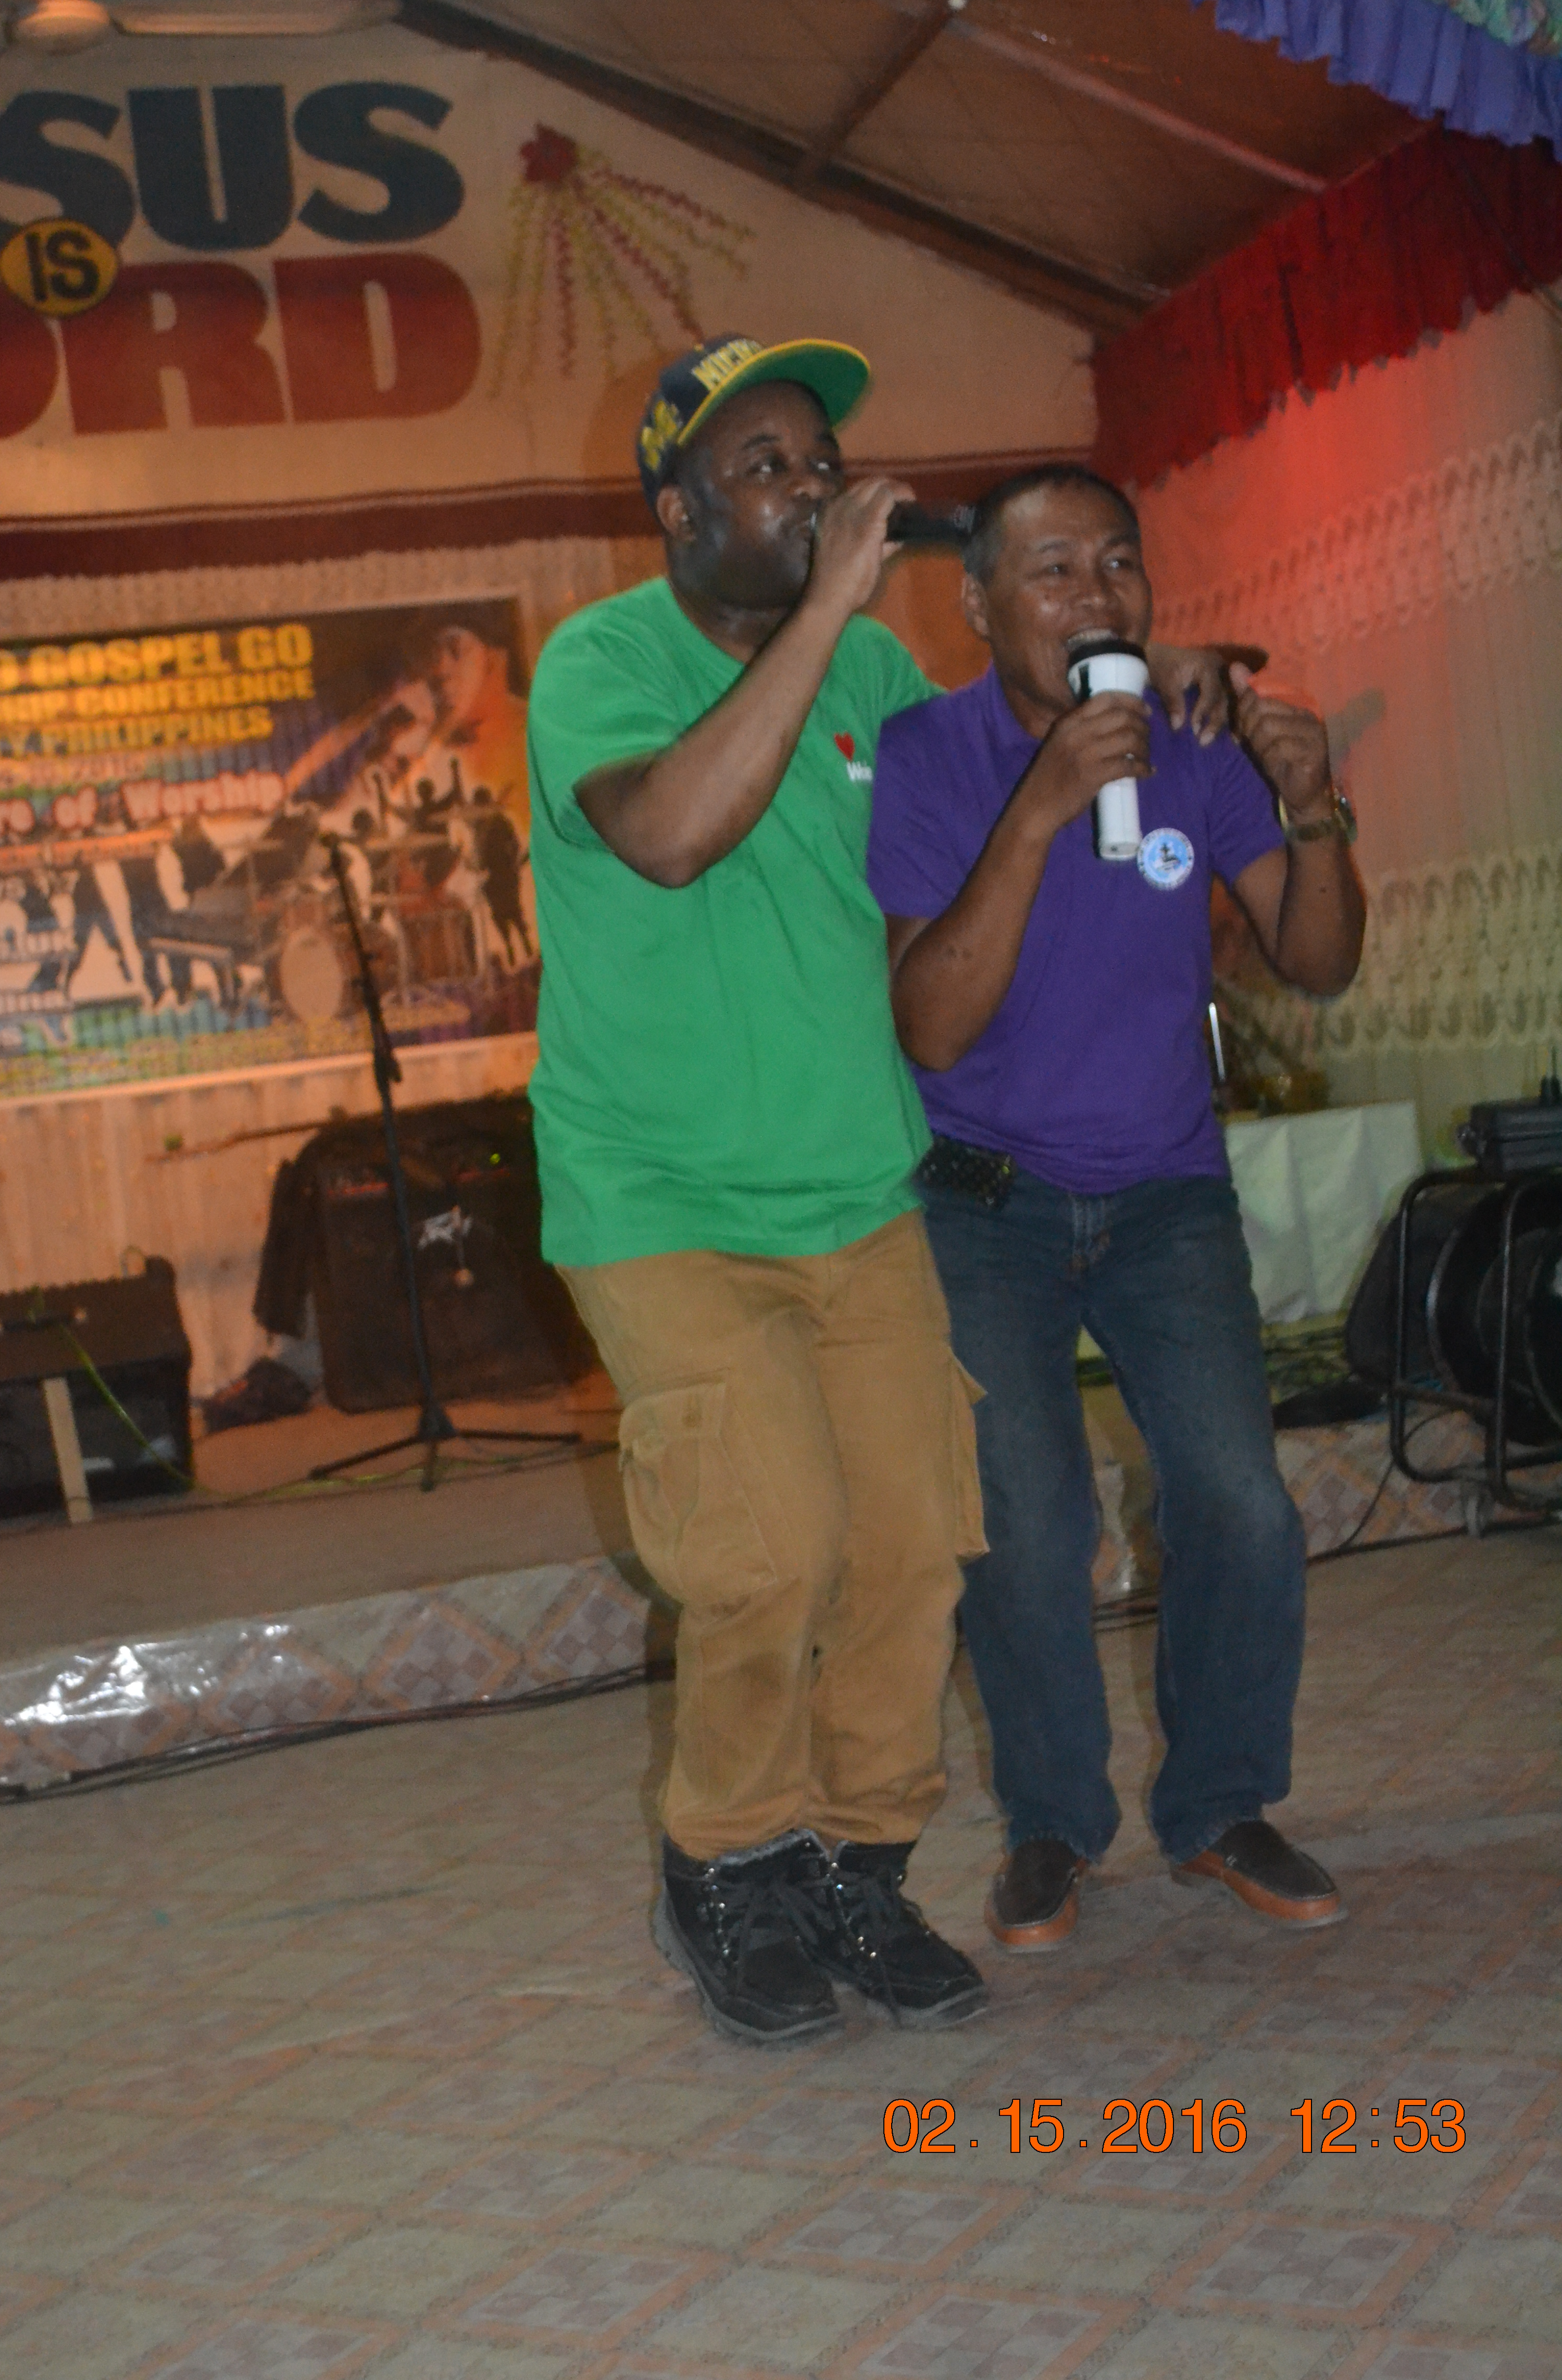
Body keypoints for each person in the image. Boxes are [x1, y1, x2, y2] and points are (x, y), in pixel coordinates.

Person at [526, 343, 1223, 2047]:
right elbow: (674, 832)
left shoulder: (882, 674)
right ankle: (729, 1865)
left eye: (822, 459)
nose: (814, 487)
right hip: (663, 1199)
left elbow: (999, 770)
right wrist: (832, 607)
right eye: (766, 465)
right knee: (771, 1549)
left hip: (856, 1187)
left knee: (917, 1549)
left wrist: (1153, 687)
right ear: (679, 510)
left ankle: (860, 1865)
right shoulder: (599, 662)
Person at [867, 465, 1365, 1950]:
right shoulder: (929, 753)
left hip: (1166, 1197)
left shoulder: (1194, 740)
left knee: (1241, 1503)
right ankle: (1051, 1827)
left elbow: (1320, 962)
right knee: (1027, 1527)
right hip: (985, 1205)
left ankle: (1221, 1806)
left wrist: (1313, 809)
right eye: (1055, 570)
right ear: (978, 607)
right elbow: (931, 1027)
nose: (1097, 596)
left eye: (1120, 564)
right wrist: (1042, 807)